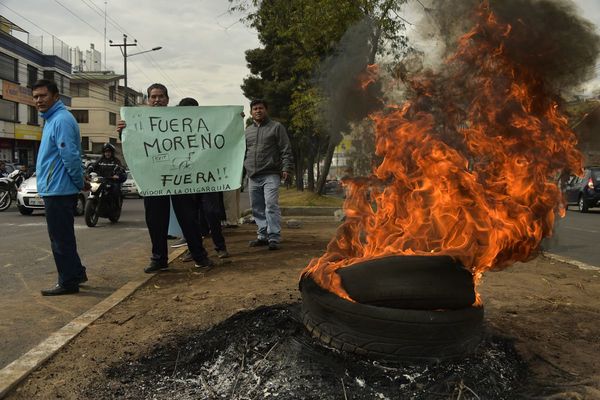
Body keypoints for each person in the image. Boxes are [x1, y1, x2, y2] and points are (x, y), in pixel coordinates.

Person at [117, 83, 214, 273]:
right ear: (147, 100)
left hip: (179, 178)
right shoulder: (138, 122)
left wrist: (234, 121)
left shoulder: (179, 119)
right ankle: (159, 259)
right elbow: (132, 145)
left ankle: (199, 256)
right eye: (153, 97)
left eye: (161, 96)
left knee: (188, 218)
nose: (157, 100)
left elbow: (206, 130)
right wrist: (123, 131)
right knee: (155, 220)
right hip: (153, 179)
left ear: (168, 100)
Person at [33, 79, 88, 295]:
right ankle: (77, 273)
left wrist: (78, 182)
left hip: (59, 190)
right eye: (35, 96)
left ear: (55, 96)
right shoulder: (52, 119)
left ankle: (68, 283)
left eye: (43, 96)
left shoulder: (61, 120)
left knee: (60, 239)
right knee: (63, 236)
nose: (38, 100)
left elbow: (70, 155)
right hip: (55, 188)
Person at [175, 97, 229, 259]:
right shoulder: (176, 129)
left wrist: (234, 120)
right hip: (187, 179)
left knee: (212, 213)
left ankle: (220, 247)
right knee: (192, 217)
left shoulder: (207, 125)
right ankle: (195, 250)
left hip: (207, 178)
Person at [244, 99, 293, 250]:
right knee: (257, 207)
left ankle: (274, 237)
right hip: (253, 175)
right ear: (251, 113)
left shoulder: (276, 127)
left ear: (266, 110)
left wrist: (286, 168)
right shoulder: (247, 131)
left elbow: (286, 149)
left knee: (271, 205)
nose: (258, 111)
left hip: (271, 174)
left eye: (261, 108)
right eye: (255, 109)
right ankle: (262, 236)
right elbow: (242, 153)